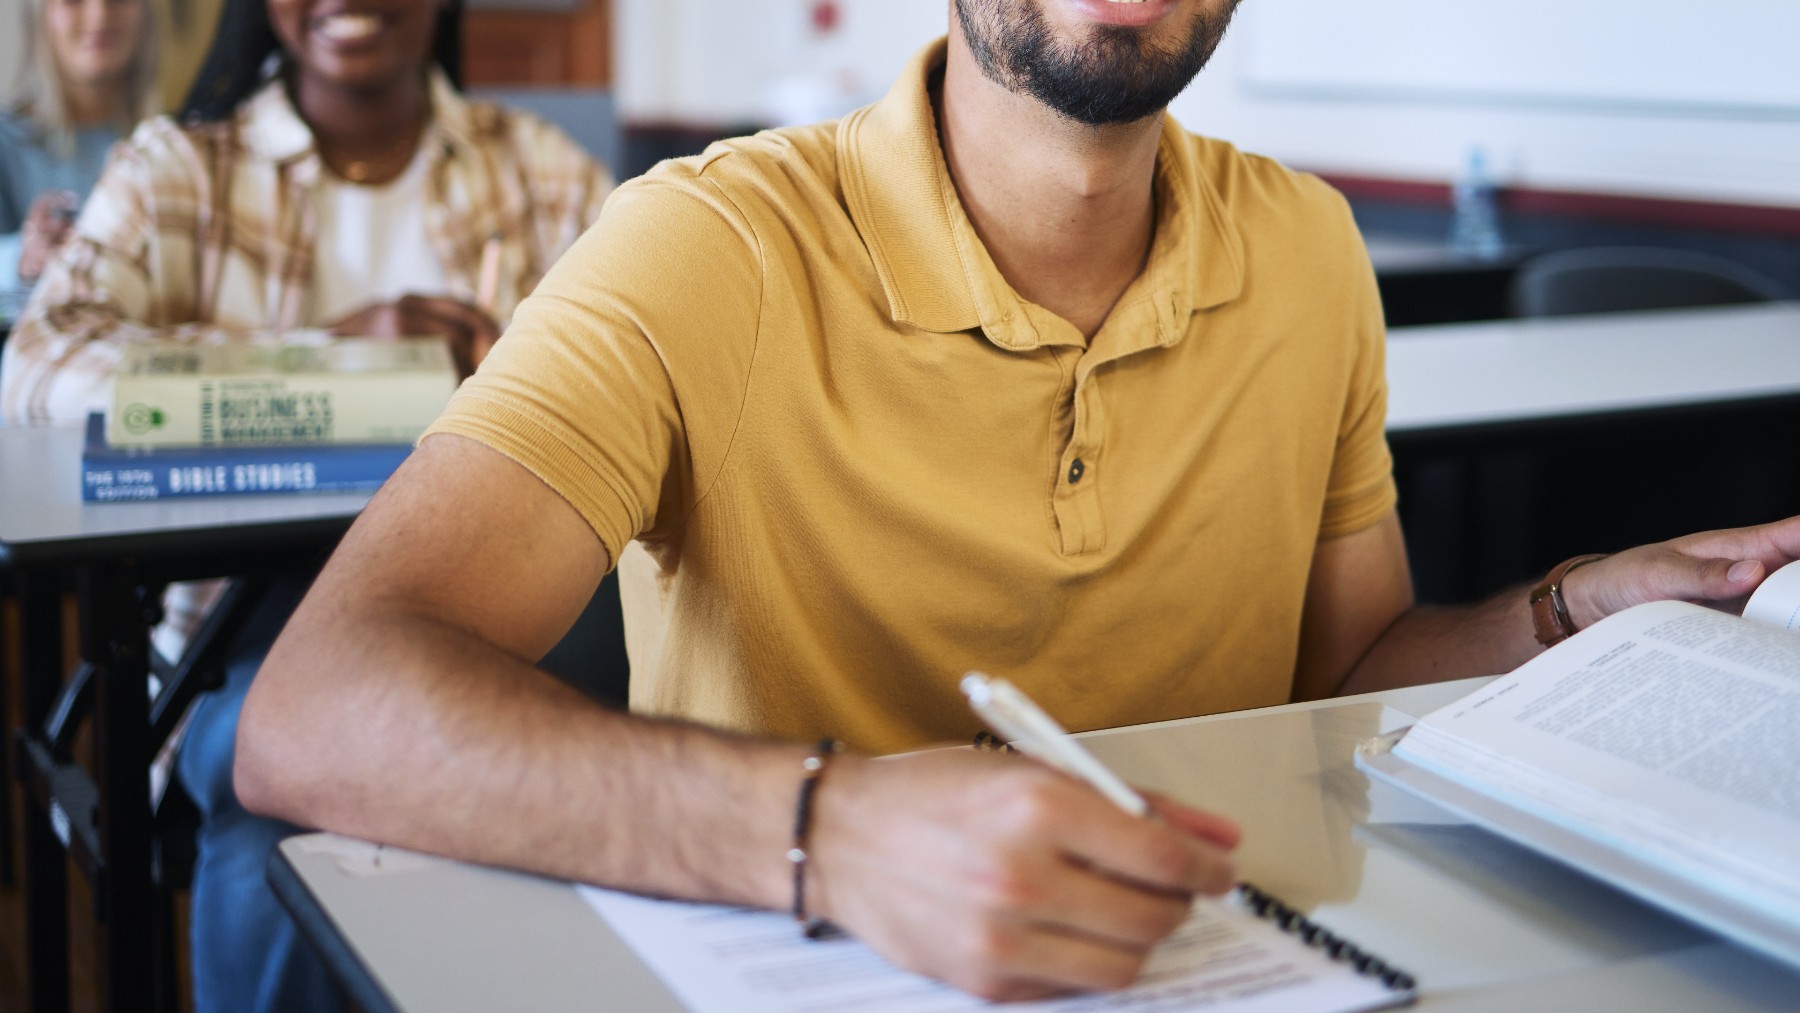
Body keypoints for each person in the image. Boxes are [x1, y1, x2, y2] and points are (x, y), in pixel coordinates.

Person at [235, 0, 1800, 1002]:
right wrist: (827, 835)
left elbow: (1342, 676)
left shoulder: (1312, 250)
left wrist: (1560, 619)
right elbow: (315, 710)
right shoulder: (708, 244)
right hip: (808, 958)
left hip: (1223, 960)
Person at [0, 0, 611, 1007]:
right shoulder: (179, 170)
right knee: (278, 790)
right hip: (247, 624)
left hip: (511, 605)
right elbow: (35, 367)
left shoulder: (541, 170)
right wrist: (338, 361)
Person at [0, 0, 157, 291]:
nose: (99, 15)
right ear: (39, 16)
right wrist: (21, 259)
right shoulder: (6, 143)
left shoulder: (173, 145)